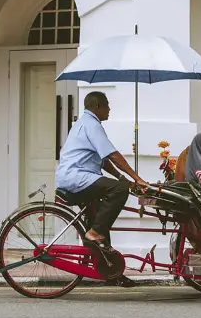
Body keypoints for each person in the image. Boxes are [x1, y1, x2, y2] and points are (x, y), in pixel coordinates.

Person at [55, 91, 149, 286]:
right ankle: (95, 232)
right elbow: (113, 155)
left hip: (77, 176)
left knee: (102, 218)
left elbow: (104, 161)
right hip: (77, 177)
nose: (110, 110)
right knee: (118, 191)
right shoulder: (92, 125)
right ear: (97, 107)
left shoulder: (84, 123)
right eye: (107, 106)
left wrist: (123, 178)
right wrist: (136, 178)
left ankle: (110, 271)